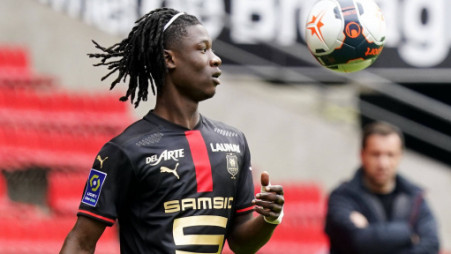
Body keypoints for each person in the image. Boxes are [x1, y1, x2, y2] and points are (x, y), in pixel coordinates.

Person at [59, 7, 284, 254]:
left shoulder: (234, 142)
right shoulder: (125, 150)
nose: (215, 58)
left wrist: (269, 219)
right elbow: (81, 241)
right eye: (202, 49)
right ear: (169, 59)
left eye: (213, 49)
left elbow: (241, 243)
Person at [325, 121, 440, 254]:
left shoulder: (414, 197)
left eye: (390, 155)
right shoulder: (342, 197)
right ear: (362, 155)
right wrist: (407, 233)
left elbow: (432, 245)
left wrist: (373, 236)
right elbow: (359, 242)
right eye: (376, 154)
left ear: (400, 156)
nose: (383, 164)